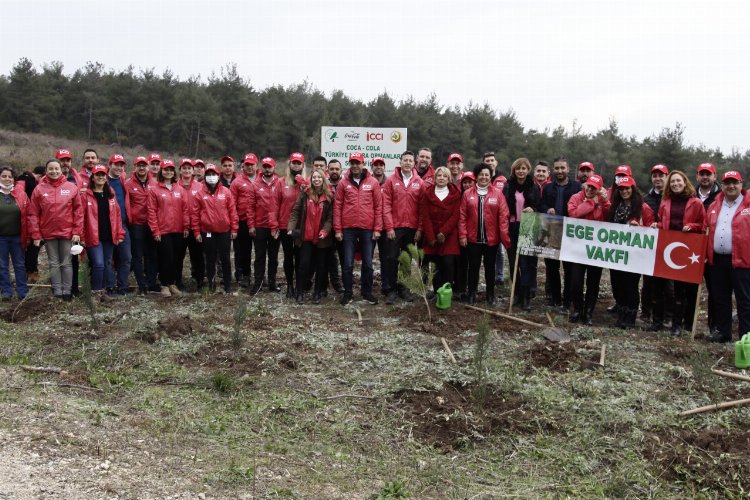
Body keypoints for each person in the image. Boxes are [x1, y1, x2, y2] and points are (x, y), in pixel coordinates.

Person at [651, 170, 706, 336]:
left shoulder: (696, 202)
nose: (675, 184)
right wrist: (657, 225)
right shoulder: (665, 201)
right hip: (666, 246)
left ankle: (677, 325)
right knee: (658, 286)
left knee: (679, 290)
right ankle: (657, 322)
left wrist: (692, 227)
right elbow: (662, 221)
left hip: (684, 248)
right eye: (673, 182)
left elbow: (703, 225)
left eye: (678, 181)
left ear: (685, 182)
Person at [704, 170, 750, 343]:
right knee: (720, 298)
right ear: (722, 185)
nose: (731, 186)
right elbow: (706, 227)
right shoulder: (715, 205)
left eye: (735, 182)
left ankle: (746, 336)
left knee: (744, 301)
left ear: (741, 184)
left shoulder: (748, 204)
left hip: (742, 260)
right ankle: (723, 332)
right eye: (727, 183)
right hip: (717, 259)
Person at [28, 159, 83, 301]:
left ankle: (67, 291)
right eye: (51, 169)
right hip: (49, 233)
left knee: (66, 262)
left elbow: (78, 211)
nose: (54, 171)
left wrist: (77, 231)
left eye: (56, 168)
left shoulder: (70, 187)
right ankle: (57, 291)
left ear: (61, 170)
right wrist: (36, 234)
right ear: (46, 171)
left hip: (67, 232)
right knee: (53, 263)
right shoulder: (39, 189)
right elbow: (33, 213)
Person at [333, 152, 383, 305]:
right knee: (347, 263)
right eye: (352, 163)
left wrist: (377, 228)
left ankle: (366, 292)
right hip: (348, 229)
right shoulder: (343, 183)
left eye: (358, 162)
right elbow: (338, 206)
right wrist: (338, 229)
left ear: (363, 164)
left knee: (368, 263)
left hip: (368, 229)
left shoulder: (373, 182)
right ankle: (348, 293)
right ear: (350, 164)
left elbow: (378, 206)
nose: (355, 165)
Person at [459, 163, 511, 305]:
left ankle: (490, 295)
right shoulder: (467, 194)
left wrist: (504, 238)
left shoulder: (498, 194)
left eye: (487, 175)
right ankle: (471, 294)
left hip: (491, 240)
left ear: (490, 176)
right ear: (476, 176)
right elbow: (462, 216)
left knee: (490, 268)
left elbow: (503, 216)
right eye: (481, 174)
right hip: (473, 239)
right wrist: (462, 235)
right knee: (473, 268)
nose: (484, 177)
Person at [606, 176, 654, 327]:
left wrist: (639, 228)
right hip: (616, 254)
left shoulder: (643, 208)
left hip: (634, 255)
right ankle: (621, 315)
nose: (624, 191)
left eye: (627, 188)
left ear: (633, 189)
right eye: (621, 189)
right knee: (617, 284)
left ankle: (630, 318)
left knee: (630, 285)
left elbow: (652, 229)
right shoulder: (615, 206)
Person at [382, 150, 425, 305]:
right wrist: (389, 227)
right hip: (395, 227)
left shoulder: (419, 182)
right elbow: (385, 205)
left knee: (406, 260)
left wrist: (419, 229)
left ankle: (404, 289)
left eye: (410, 160)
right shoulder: (391, 181)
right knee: (392, 258)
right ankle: (391, 290)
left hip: (411, 228)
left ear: (414, 163)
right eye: (405, 160)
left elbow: (422, 208)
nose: (407, 162)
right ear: (400, 162)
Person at [567, 174, 610, 324]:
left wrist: (603, 202)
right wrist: (592, 203)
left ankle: (589, 312)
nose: (591, 189)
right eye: (589, 186)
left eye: (594, 188)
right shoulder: (575, 197)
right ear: (585, 185)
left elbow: (609, 216)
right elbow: (574, 213)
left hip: (596, 249)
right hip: (578, 248)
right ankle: (578, 309)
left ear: (600, 189)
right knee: (576, 282)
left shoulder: (603, 201)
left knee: (593, 282)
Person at [287, 168, 334, 304]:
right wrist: (291, 228)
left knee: (321, 266)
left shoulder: (330, 196)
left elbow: (330, 218)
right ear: (311, 179)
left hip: (321, 238)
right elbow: (295, 212)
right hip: (305, 237)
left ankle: (317, 293)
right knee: (303, 265)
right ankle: (300, 291)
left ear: (323, 179)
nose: (316, 179)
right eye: (314, 177)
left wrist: (325, 231)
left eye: (319, 177)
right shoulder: (305, 194)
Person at [540, 156, 581, 310]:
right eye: (557, 168)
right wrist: (546, 209)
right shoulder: (548, 187)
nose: (559, 171)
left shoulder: (576, 187)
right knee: (552, 268)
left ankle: (567, 300)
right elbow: (542, 204)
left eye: (562, 168)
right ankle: (555, 299)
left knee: (569, 269)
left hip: (570, 234)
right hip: (552, 232)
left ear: (568, 169)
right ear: (553, 170)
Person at [191, 165, 238, 293]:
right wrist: (196, 231)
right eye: (209, 174)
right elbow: (195, 215)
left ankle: (227, 284)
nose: (211, 177)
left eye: (214, 174)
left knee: (225, 258)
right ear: (205, 177)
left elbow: (232, 211)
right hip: (208, 232)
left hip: (224, 231)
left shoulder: (226, 192)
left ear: (218, 176)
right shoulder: (200, 194)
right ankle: (211, 283)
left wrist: (234, 229)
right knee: (210, 259)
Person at [147, 159, 189, 297]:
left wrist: (186, 226)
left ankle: (173, 283)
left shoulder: (180, 189)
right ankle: (164, 284)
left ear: (174, 172)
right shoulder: (154, 190)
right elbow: (151, 211)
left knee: (177, 258)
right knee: (166, 257)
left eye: (171, 170)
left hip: (178, 229)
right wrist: (155, 230)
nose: (169, 172)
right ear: (161, 171)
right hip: (163, 230)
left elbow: (185, 209)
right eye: (166, 169)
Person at [82, 164, 126, 294]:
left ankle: (108, 289)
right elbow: (81, 217)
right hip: (93, 236)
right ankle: (96, 290)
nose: (101, 177)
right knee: (99, 264)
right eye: (98, 175)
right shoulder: (86, 195)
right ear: (93, 177)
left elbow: (117, 215)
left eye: (103, 175)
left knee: (107, 262)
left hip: (109, 235)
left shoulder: (110, 193)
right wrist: (82, 236)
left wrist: (119, 234)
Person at [504, 157, 540, 310]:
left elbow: (539, 206)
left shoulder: (534, 186)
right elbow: (503, 206)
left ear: (528, 170)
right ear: (514, 170)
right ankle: (517, 293)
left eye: (524, 168)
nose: (521, 171)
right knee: (514, 264)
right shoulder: (507, 186)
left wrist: (533, 209)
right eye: (518, 168)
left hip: (528, 227)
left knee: (526, 264)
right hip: (512, 226)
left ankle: (526, 297)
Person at [420, 166, 461, 296]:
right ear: (435, 178)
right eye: (439, 176)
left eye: (444, 176)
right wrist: (431, 236)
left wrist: (444, 232)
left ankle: (447, 292)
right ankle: (437, 291)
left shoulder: (455, 194)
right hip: (432, 234)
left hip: (448, 234)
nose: (441, 178)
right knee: (436, 264)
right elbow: (424, 216)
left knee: (448, 263)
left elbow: (456, 215)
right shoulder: (427, 193)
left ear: (449, 179)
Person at [641, 164, 673, 326]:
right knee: (648, 281)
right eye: (655, 176)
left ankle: (668, 315)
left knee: (668, 282)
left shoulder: (672, 196)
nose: (658, 178)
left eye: (661, 175)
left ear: (667, 177)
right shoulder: (646, 198)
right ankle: (646, 312)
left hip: (668, 244)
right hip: (649, 245)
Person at [125, 156, 158, 295]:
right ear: (135, 167)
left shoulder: (155, 182)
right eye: (139, 165)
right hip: (137, 224)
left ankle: (151, 282)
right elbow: (127, 203)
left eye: (144, 165)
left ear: (148, 167)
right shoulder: (128, 183)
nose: (142, 168)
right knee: (137, 255)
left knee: (152, 254)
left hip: (152, 223)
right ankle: (141, 283)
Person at [276, 152, 308, 298]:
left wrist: (303, 183)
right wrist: (274, 225)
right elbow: (275, 205)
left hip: (302, 226)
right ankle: (289, 285)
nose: (296, 165)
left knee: (301, 258)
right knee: (288, 257)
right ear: (290, 164)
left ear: (303, 165)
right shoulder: (281, 182)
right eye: (294, 162)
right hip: (285, 225)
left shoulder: (307, 182)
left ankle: (300, 286)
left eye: (299, 163)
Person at [695, 162, 721, 334]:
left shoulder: (722, 195)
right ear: (697, 176)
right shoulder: (690, 194)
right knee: (689, 288)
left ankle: (715, 326)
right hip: (693, 249)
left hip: (713, 249)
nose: (705, 177)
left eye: (708, 174)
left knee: (716, 289)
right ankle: (686, 323)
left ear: (714, 176)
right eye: (702, 174)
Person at [249, 157, 281, 294]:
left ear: (274, 168)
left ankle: (272, 282)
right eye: (265, 166)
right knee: (260, 256)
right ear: (262, 168)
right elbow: (250, 207)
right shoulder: (255, 185)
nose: (267, 169)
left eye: (270, 166)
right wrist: (251, 225)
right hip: (260, 225)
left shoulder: (280, 183)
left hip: (275, 226)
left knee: (273, 257)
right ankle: (258, 283)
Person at [0, 166, 29, 300]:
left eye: (10, 177)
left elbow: (29, 214)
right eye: (4, 176)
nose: (7, 179)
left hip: (17, 236)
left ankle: (22, 291)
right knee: (2, 265)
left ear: (14, 179)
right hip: (1, 238)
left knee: (19, 264)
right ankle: (6, 291)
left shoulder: (21, 194)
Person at [176, 158, 205, 290]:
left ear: (193, 171)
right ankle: (177, 281)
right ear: (180, 170)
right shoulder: (175, 186)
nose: (187, 171)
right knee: (178, 256)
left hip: (196, 227)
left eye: (189, 168)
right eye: (184, 168)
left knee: (197, 255)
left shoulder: (200, 186)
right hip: (179, 227)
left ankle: (200, 280)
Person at [230, 153, 258, 288]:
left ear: (256, 165)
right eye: (247, 165)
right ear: (243, 166)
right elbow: (231, 205)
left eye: (252, 164)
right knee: (244, 251)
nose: (249, 167)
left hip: (260, 222)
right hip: (242, 221)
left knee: (260, 251)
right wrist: (234, 223)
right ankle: (245, 275)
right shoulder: (237, 182)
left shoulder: (262, 179)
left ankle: (260, 275)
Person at [106, 154, 132, 295]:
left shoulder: (123, 181)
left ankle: (123, 287)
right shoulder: (102, 180)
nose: (119, 167)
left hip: (122, 225)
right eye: (116, 164)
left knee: (126, 257)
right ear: (110, 165)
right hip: (107, 226)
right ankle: (110, 287)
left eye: (121, 165)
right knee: (109, 258)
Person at [16, 165, 45, 281]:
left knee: (33, 245)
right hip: (26, 218)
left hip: (31, 217)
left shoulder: (29, 180)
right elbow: (19, 194)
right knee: (33, 245)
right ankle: (30, 271)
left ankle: (30, 270)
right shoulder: (25, 179)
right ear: (40, 175)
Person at [324, 159, 345, 294]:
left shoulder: (346, 183)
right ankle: (327, 284)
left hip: (344, 227)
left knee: (344, 257)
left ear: (341, 170)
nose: (334, 171)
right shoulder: (323, 184)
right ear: (328, 170)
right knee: (328, 257)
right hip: (327, 227)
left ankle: (342, 283)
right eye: (332, 169)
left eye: (337, 169)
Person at [369, 157, 389, 296]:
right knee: (368, 257)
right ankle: (367, 285)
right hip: (370, 226)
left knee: (385, 257)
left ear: (384, 167)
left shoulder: (390, 183)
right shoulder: (367, 182)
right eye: (376, 165)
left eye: (381, 165)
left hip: (386, 226)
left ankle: (386, 285)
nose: (378, 167)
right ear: (372, 167)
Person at [455, 171, 476, 301]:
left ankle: (471, 289)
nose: (467, 185)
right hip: (461, 235)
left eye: (470, 182)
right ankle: (460, 288)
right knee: (461, 263)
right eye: (465, 182)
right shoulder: (458, 196)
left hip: (474, 235)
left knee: (472, 264)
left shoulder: (479, 195)